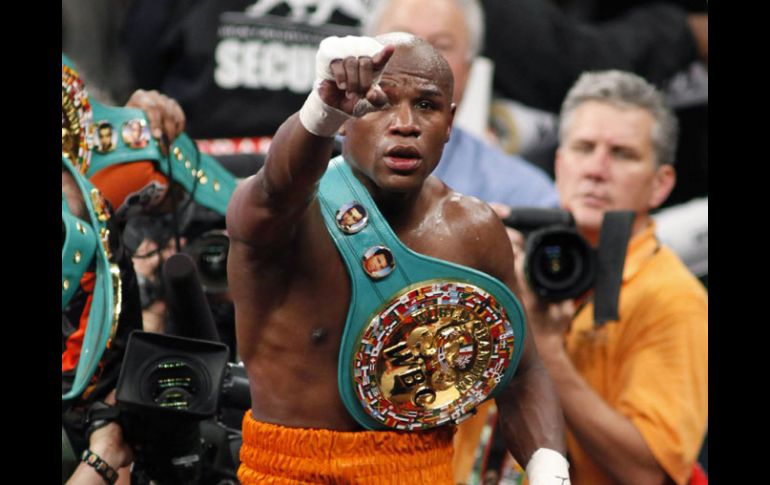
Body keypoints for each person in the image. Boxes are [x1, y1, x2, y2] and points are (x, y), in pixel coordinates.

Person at [227, 33, 570, 484]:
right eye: (380, 103)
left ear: (449, 123)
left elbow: (521, 372)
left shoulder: (472, 229)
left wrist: (551, 470)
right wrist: (321, 109)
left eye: (426, 106)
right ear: (346, 117)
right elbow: (276, 188)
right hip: (290, 473)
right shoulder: (284, 218)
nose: (405, 124)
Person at [495, 70, 707, 485]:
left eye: (623, 154)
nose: (596, 169)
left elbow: (647, 472)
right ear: (560, 164)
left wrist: (548, 352)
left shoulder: (672, 298)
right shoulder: (508, 257)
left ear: (660, 185)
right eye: (584, 148)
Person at [363, 0, 560, 209]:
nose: (418, 60)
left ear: (470, 68)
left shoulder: (524, 194)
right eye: (402, 40)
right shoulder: (335, 153)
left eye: (441, 46)